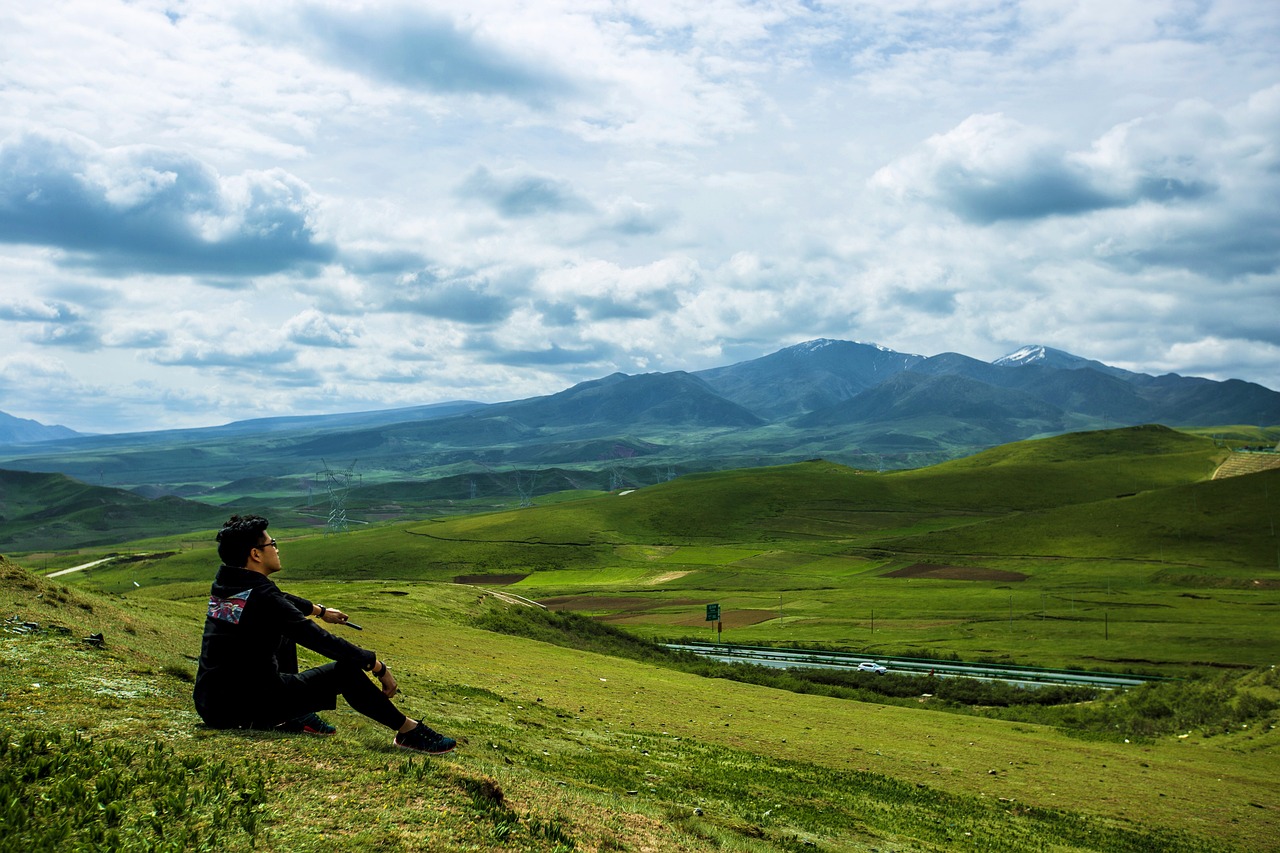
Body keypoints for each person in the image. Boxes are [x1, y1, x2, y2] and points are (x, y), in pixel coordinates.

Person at [193, 514, 456, 755]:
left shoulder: (228, 584)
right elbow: (318, 639)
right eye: (272, 543)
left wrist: (320, 610)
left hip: (211, 703)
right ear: (256, 554)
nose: (277, 548)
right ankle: (407, 730)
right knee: (345, 672)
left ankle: (294, 715)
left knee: (283, 635)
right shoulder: (264, 598)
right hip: (245, 708)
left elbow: (281, 600)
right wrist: (375, 665)